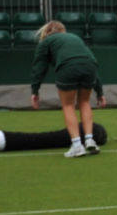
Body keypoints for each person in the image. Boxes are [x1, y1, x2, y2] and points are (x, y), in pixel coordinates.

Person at [29, 20, 106, 158]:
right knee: (84, 102)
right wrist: (100, 93)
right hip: (90, 67)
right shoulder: (75, 38)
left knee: (68, 105)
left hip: (68, 67)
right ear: (62, 30)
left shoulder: (45, 42)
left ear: (46, 32)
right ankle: (90, 140)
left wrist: (35, 91)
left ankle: (77, 145)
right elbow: (89, 60)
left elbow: (39, 68)